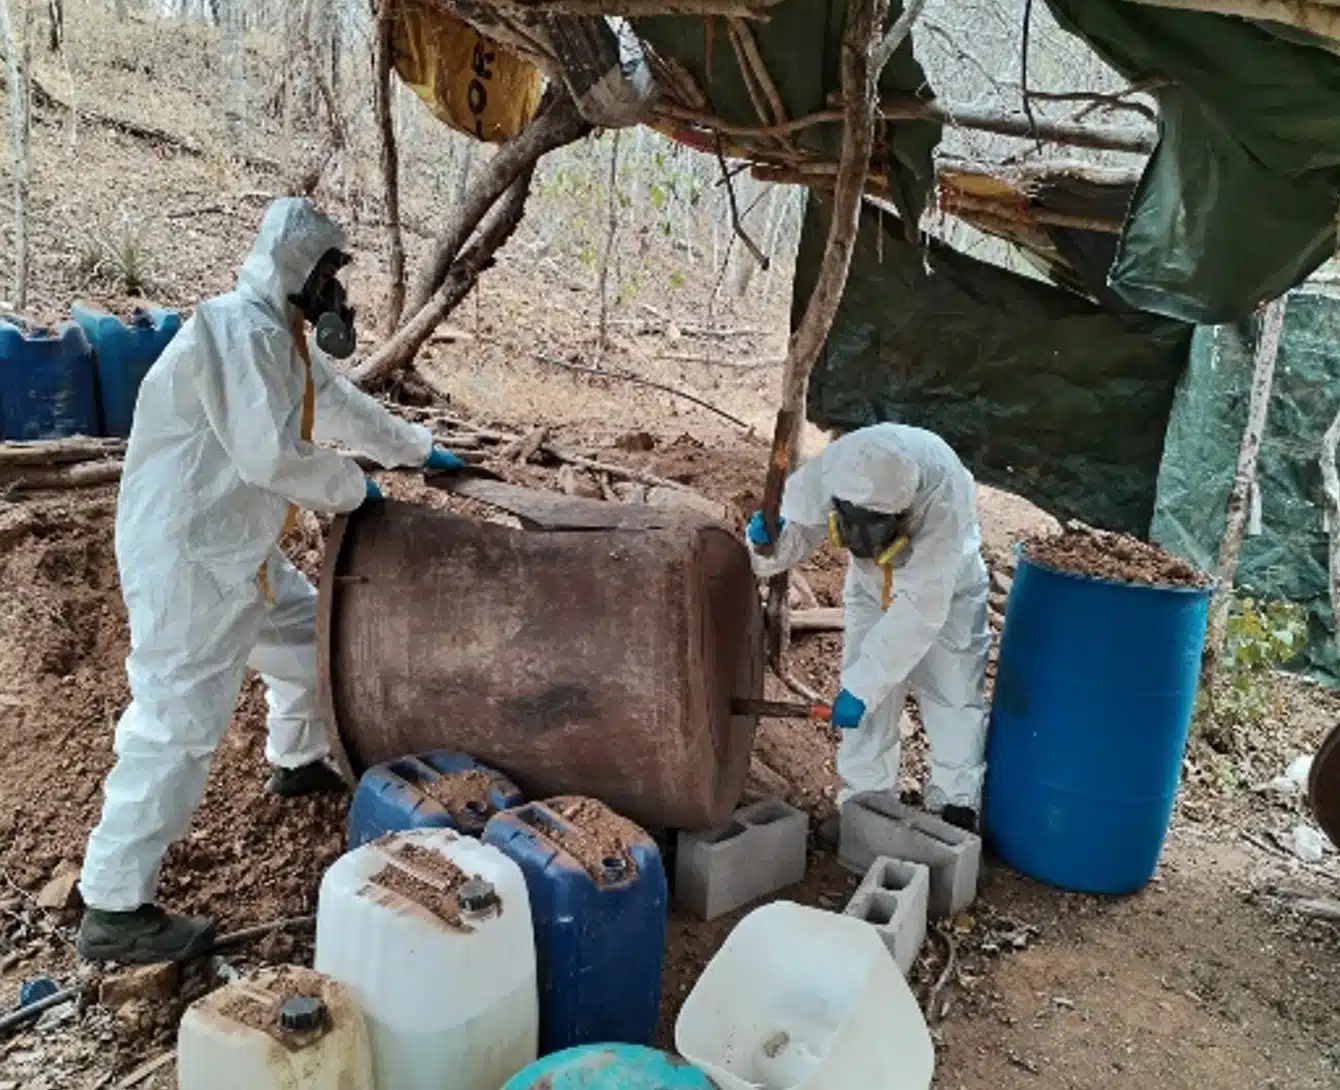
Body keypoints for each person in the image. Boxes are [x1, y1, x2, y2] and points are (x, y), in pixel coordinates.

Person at [77, 198, 466, 963]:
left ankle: (294, 762)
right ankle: (114, 906)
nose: (335, 291)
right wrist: (353, 487)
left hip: (237, 549)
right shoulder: (238, 330)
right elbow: (270, 455)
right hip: (188, 558)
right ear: (298, 270)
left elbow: (339, 403)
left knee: (310, 645)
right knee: (178, 720)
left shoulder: (278, 337)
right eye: (327, 273)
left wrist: (417, 448)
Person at [746, 423, 990, 833]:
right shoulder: (833, 470)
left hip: (946, 587)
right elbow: (797, 530)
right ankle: (866, 800)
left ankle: (954, 804)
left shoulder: (942, 493)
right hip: (869, 584)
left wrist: (861, 687)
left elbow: (918, 611)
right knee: (868, 704)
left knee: (952, 690)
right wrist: (769, 544)